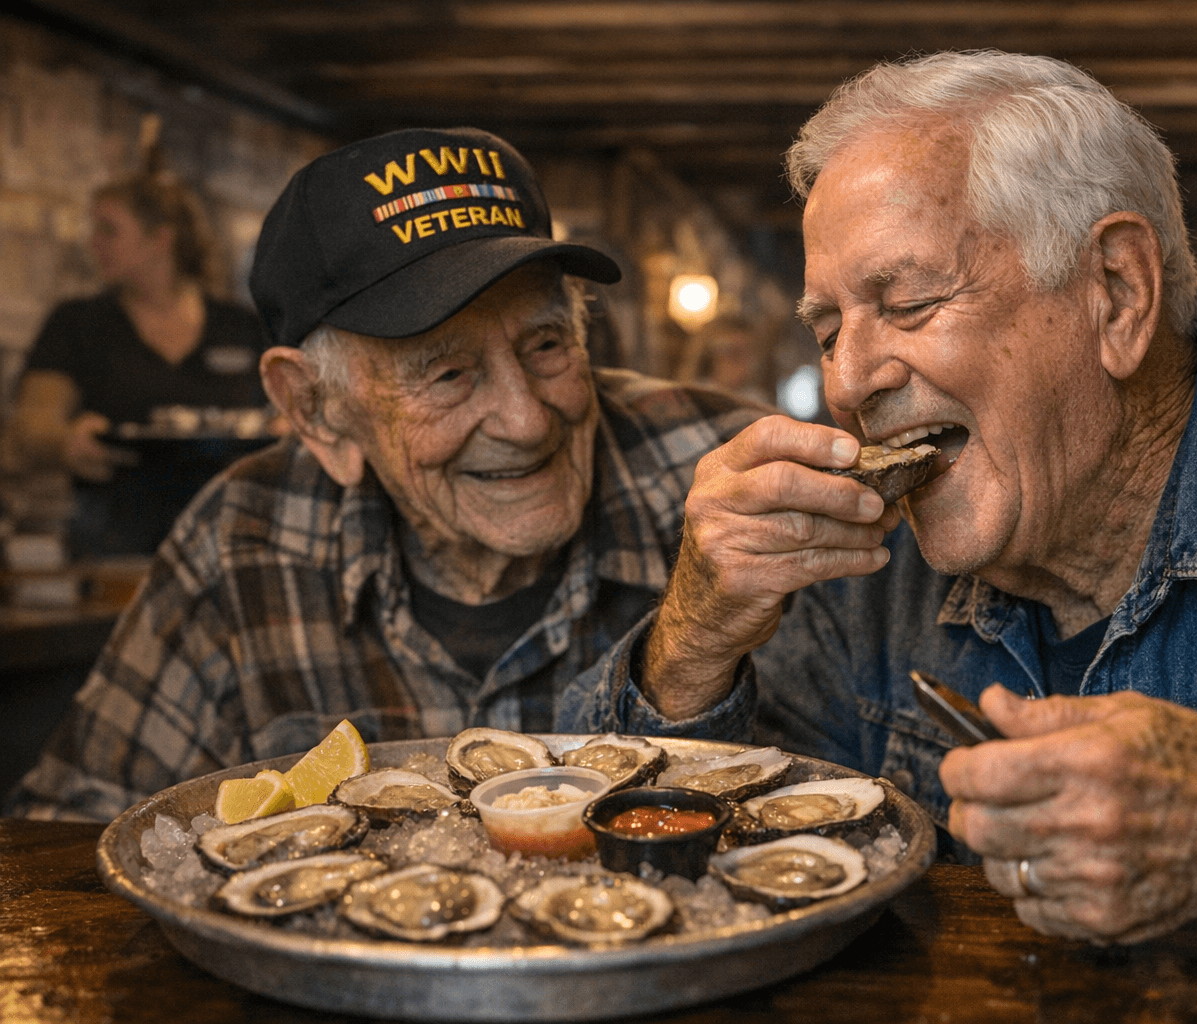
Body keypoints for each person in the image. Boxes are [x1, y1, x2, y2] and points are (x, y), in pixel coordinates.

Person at [559, 52, 1197, 1010]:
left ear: (1115, 290)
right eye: (827, 330)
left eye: (908, 303)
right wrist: (695, 638)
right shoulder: (861, 565)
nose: (848, 381)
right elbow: (644, 882)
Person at [5, 126, 765, 822]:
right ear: (313, 408)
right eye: (446, 375)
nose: (527, 419)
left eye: (545, 344)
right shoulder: (239, 542)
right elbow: (71, 833)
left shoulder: (727, 474)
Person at [8, 164, 271, 555]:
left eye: (108, 230)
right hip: (114, 538)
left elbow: (286, 410)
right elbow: (33, 421)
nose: (93, 243)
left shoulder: (241, 326)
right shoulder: (76, 321)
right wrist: (65, 441)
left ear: (159, 240)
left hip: (233, 533)